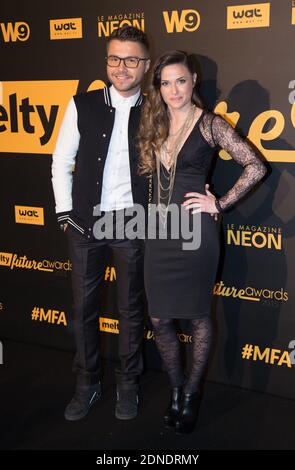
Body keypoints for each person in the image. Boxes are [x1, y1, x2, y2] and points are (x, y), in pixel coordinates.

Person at [138, 50, 267, 434]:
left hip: (196, 234)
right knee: (160, 318)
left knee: (196, 317)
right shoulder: (155, 124)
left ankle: (192, 394)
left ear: (193, 81)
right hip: (159, 233)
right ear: (158, 88)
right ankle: (176, 389)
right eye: (165, 83)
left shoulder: (211, 124)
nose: (173, 90)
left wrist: (219, 203)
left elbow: (256, 165)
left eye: (180, 80)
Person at [51, 26, 150, 421]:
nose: (121, 67)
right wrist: (64, 214)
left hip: (132, 222)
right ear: (106, 60)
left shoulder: (159, 106)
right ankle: (87, 384)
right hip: (85, 223)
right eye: (114, 58)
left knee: (131, 310)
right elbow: (61, 161)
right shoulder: (82, 104)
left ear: (145, 65)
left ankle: (129, 385)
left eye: (130, 59)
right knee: (84, 308)